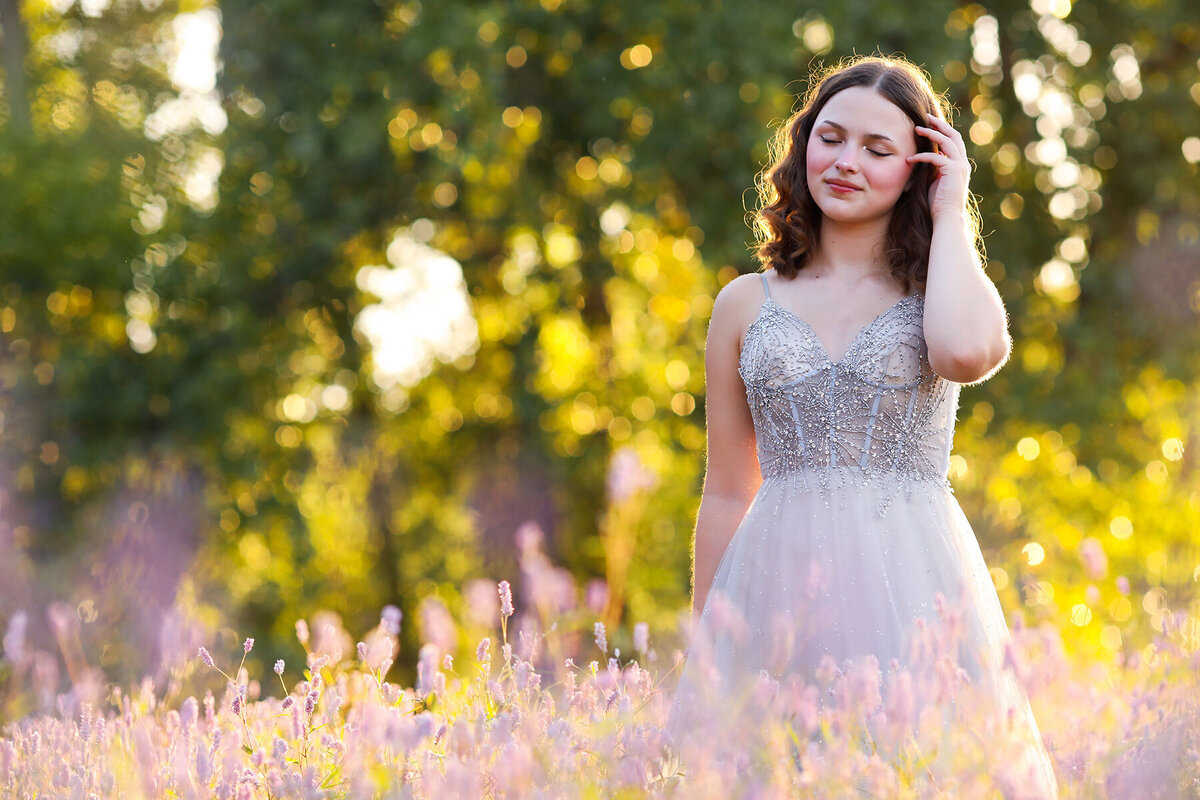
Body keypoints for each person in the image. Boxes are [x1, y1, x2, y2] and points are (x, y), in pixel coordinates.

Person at [662, 55, 1059, 798]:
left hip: (912, 583)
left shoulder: (939, 292)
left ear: (918, 167)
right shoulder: (744, 304)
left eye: (878, 150)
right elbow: (724, 492)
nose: (846, 162)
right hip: (774, 589)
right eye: (831, 137)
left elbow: (967, 352)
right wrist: (707, 647)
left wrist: (952, 210)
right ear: (803, 144)